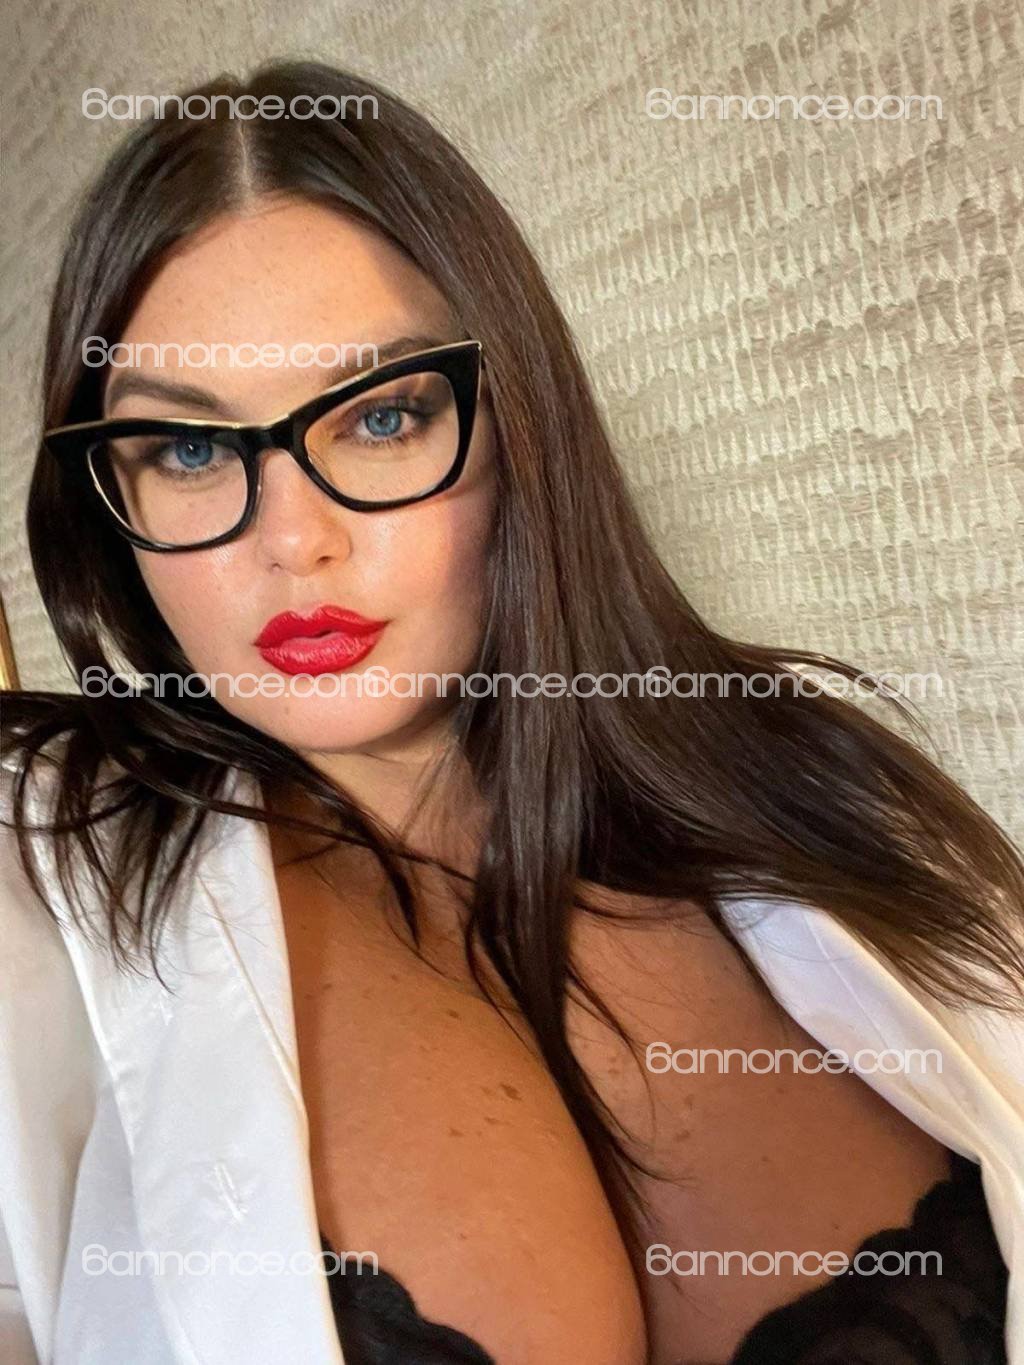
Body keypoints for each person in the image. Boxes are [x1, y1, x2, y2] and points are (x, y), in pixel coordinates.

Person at [1, 60, 1022, 1365]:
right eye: (190, 449)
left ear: (515, 428)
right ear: (109, 503)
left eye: (382, 415)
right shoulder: (40, 878)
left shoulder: (828, 792)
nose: (295, 542)